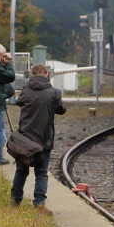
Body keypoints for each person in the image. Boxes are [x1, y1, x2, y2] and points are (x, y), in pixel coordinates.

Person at [10, 64, 67, 213]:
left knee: (21, 170)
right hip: (44, 138)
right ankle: (39, 203)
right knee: (41, 172)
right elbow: (61, 110)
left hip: (24, 138)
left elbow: (18, 102)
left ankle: (15, 199)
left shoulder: (25, 90)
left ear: (32, 75)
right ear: (46, 74)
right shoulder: (54, 93)